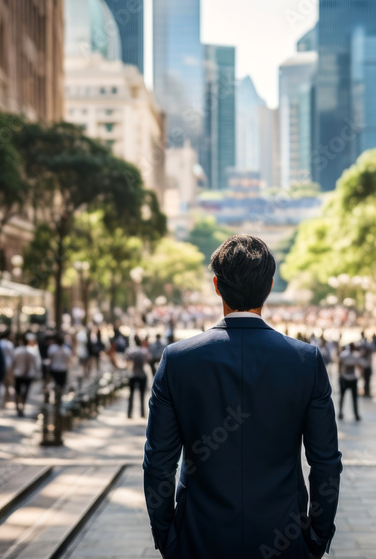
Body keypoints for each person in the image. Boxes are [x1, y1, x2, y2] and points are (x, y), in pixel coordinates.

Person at [143, 235, 341, 558]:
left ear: (217, 286)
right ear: (270, 285)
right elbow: (325, 464)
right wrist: (318, 537)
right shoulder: (306, 361)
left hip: (198, 538)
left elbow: (158, 465)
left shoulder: (178, 360)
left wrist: (167, 537)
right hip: (284, 540)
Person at [11, 334, 41, 417]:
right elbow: (32, 364)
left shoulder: (17, 351)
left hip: (18, 374)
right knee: (25, 392)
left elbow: (13, 363)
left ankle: (18, 407)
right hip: (27, 375)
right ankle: (22, 406)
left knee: (18, 391)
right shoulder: (29, 351)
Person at [125, 336, 150, 419]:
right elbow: (147, 360)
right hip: (142, 374)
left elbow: (127, 361)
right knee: (142, 395)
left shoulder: (129, 351)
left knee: (131, 395)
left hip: (132, 374)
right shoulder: (144, 351)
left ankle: (129, 413)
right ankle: (142, 413)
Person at [338, 343, 361, 421]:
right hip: (346, 377)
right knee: (343, 396)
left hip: (350, 378)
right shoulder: (345, 355)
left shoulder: (355, 355)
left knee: (352, 397)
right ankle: (341, 412)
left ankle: (355, 413)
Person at [45, 336, 72, 402]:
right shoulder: (66, 349)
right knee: (60, 384)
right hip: (62, 369)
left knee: (55, 383)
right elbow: (68, 360)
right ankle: (58, 396)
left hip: (55, 368)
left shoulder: (52, 348)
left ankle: (56, 395)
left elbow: (50, 358)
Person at [358, 332, 376, 397]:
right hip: (364, 364)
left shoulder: (366, 344)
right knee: (365, 379)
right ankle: (366, 391)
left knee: (367, 380)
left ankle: (367, 392)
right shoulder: (362, 344)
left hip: (367, 364)